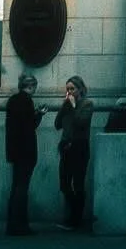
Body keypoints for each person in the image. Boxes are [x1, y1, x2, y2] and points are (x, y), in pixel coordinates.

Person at [4, 72, 43, 235]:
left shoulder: (12, 101)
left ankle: (12, 224)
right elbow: (29, 126)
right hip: (26, 151)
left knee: (15, 187)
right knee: (22, 188)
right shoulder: (27, 101)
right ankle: (20, 225)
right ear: (31, 86)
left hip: (14, 150)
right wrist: (39, 114)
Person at [55, 75, 94, 229]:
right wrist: (64, 106)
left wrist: (73, 106)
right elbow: (57, 124)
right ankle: (72, 214)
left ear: (80, 89)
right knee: (64, 183)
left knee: (78, 183)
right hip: (66, 147)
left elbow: (81, 122)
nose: (70, 92)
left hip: (79, 147)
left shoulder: (87, 104)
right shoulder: (67, 105)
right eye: (68, 89)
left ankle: (76, 219)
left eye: (72, 89)